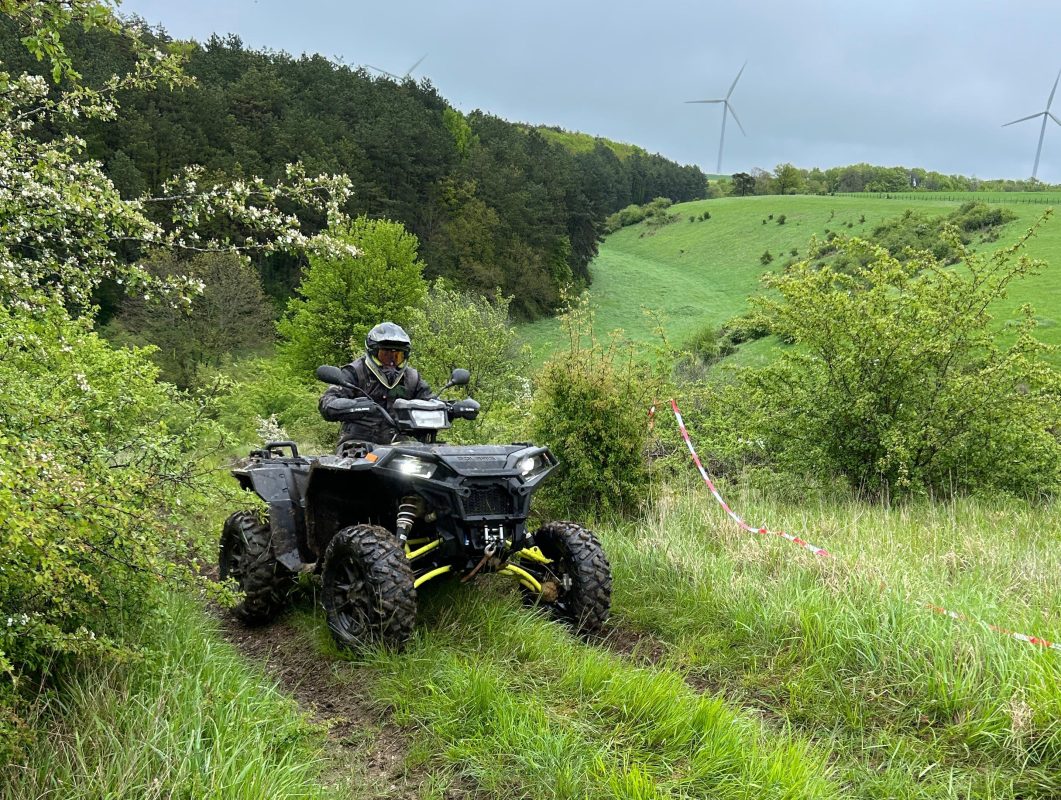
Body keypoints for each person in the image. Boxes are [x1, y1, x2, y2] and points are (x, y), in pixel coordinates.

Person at [319, 321, 434, 447]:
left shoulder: (412, 378)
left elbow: (430, 400)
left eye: (397, 356)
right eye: (386, 356)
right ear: (373, 353)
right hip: (357, 445)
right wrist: (355, 406)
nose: (391, 363)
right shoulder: (355, 372)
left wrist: (452, 408)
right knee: (356, 463)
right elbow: (327, 402)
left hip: (402, 446)